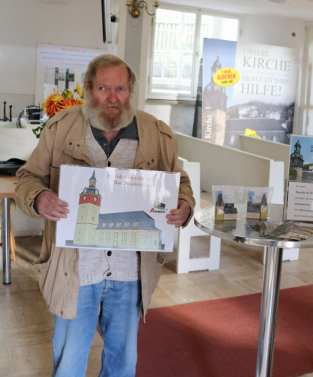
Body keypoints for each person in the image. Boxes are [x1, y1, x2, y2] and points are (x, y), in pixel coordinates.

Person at [15, 54, 195, 377]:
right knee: (69, 363)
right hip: (76, 269)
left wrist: (184, 206)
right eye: (103, 88)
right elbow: (27, 179)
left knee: (123, 364)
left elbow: (179, 182)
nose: (113, 98)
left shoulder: (158, 134)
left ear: (131, 91)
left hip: (130, 272)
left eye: (121, 89)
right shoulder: (61, 128)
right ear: (87, 88)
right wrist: (39, 198)